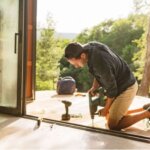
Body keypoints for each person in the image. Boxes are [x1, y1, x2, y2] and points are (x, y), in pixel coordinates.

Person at [64, 41, 150, 130]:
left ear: (82, 56)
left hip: (127, 87)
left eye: (75, 63)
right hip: (121, 82)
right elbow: (97, 73)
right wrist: (94, 87)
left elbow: (112, 90)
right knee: (110, 116)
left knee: (113, 125)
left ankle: (148, 113)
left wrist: (106, 109)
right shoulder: (89, 48)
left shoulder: (99, 62)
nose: (76, 66)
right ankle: (145, 109)